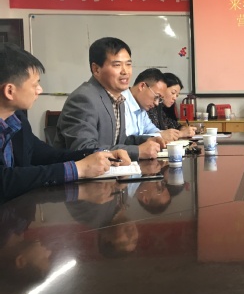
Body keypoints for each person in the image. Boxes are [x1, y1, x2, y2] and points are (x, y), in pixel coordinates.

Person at [0, 43, 130, 204]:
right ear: (10, 91)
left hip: (17, 212)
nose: (39, 90)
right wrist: (78, 169)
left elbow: (48, 155)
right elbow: (5, 181)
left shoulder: (17, 119)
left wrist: (100, 154)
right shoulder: (86, 97)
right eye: (35, 84)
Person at [54, 37, 164, 160]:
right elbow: (84, 149)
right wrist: (137, 151)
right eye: (117, 65)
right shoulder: (83, 99)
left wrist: (147, 140)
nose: (125, 71)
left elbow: (119, 142)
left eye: (128, 64)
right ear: (96, 69)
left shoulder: (118, 98)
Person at [123, 68, 181, 142]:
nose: (157, 103)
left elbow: (150, 129)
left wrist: (161, 134)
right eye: (156, 97)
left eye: (160, 99)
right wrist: (160, 136)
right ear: (142, 86)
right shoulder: (120, 103)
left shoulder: (141, 107)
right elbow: (125, 140)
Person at [147, 72, 196, 137]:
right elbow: (153, 135)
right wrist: (181, 134)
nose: (175, 98)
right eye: (173, 93)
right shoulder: (149, 106)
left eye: (177, 95)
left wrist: (183, 128)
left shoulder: (160, 108)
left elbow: (169, 122)